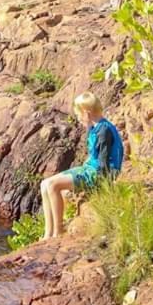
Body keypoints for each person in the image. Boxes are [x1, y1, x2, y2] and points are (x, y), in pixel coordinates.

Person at [39, 92, 124, 239]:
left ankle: (57, 232)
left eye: (78, 114)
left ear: (87, 113)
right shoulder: (94, 127)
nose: (78, 118)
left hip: (98, 174)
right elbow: (93, 156)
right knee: (44, 184)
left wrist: (103, 188)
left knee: (53, 185)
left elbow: (104, 163)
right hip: (90, 168)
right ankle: (48, 233)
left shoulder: (104, 131)